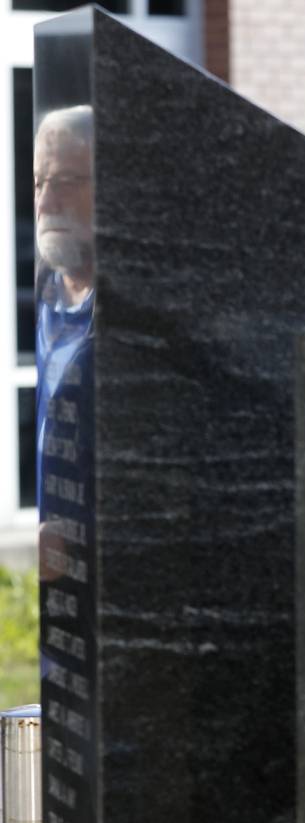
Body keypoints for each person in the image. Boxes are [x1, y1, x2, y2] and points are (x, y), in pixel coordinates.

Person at [34, 105, 94, 581]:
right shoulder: (45, 304)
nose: (47, 201)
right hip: (61, 613)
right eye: (39, 182)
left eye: (67, 181)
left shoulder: (138, 322)